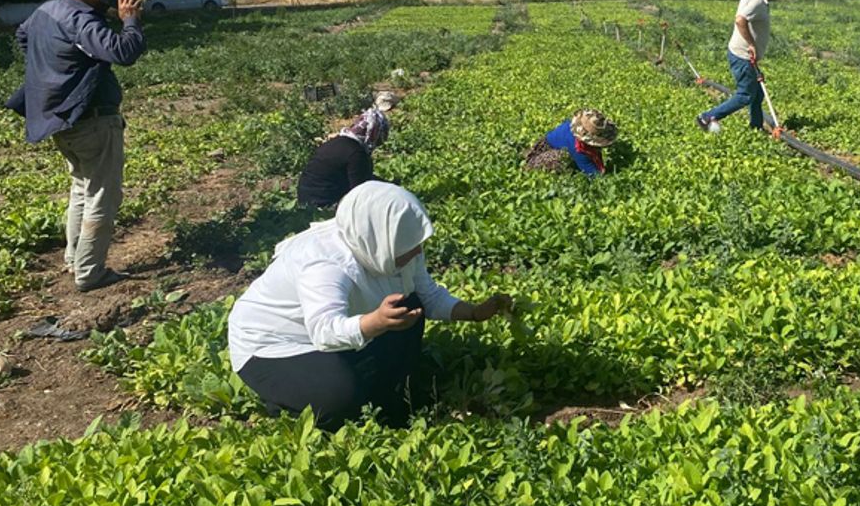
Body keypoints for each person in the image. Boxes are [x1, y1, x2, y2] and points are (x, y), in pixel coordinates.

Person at [227, 181, 514, 430]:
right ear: (378, 238)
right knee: (339, 399)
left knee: (407, 306)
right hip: (273, 345)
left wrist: (475, 312)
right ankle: (286, 399)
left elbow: (428, 296)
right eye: (408, 247)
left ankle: (387, 389)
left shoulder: (393, 245)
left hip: (344, 326)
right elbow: (324, 330)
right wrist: (375, 322)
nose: (417, 252)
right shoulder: (325, 263)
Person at [6, 0, 146, 292]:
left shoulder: (48, 10)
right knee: (102, 195)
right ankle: (90, 272)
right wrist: (130, 21)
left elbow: (23, 35)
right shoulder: (82, 20)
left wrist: (56, 67)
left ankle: (74, 259)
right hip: (92, 121)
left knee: (81, 189)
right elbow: (123, 52)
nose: (114, 3)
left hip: (61, 119)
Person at [695, 0, 786, 134]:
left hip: (745, 56)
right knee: (745, 95)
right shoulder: (757, 1)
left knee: (757, 94)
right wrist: (751, 44)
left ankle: (756, 127)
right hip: (743, 56)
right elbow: (740, 20)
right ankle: (707, 117)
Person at [297, 91, 398, 209]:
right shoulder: (356, 153)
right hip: (323, 203)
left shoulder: (339, 141)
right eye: (380, 138)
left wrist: (388, 185)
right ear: (373, 134)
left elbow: (362, 176)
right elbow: (361, 191)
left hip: (306, 199)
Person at [522, 108, 618, 177]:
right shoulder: (577, 147)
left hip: (547, 143)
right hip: (544, 153)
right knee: (562, 157)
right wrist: (605, 176)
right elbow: (591, 172)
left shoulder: (573, 126)